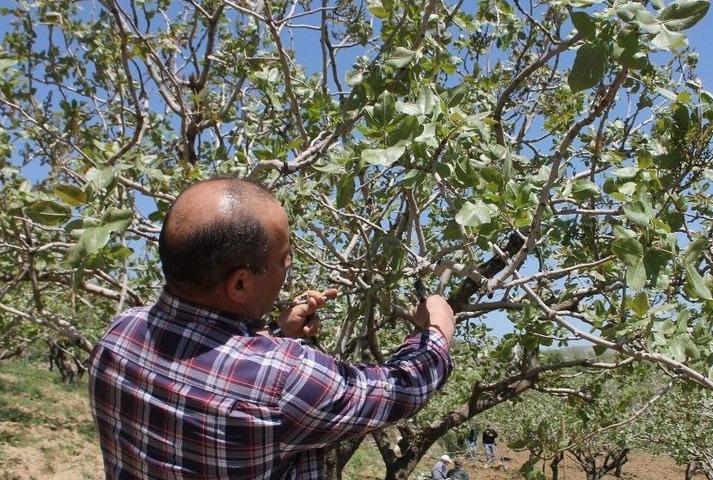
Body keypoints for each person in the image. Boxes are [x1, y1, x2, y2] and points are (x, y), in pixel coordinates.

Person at [88, 178, 455, 479]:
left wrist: (280, 336)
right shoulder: (287, 380)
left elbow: (214, 377)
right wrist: (436, 329)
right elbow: (403, 389)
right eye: (284, 258)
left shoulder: (119, 334)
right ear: (241, 285)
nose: (290, 264)